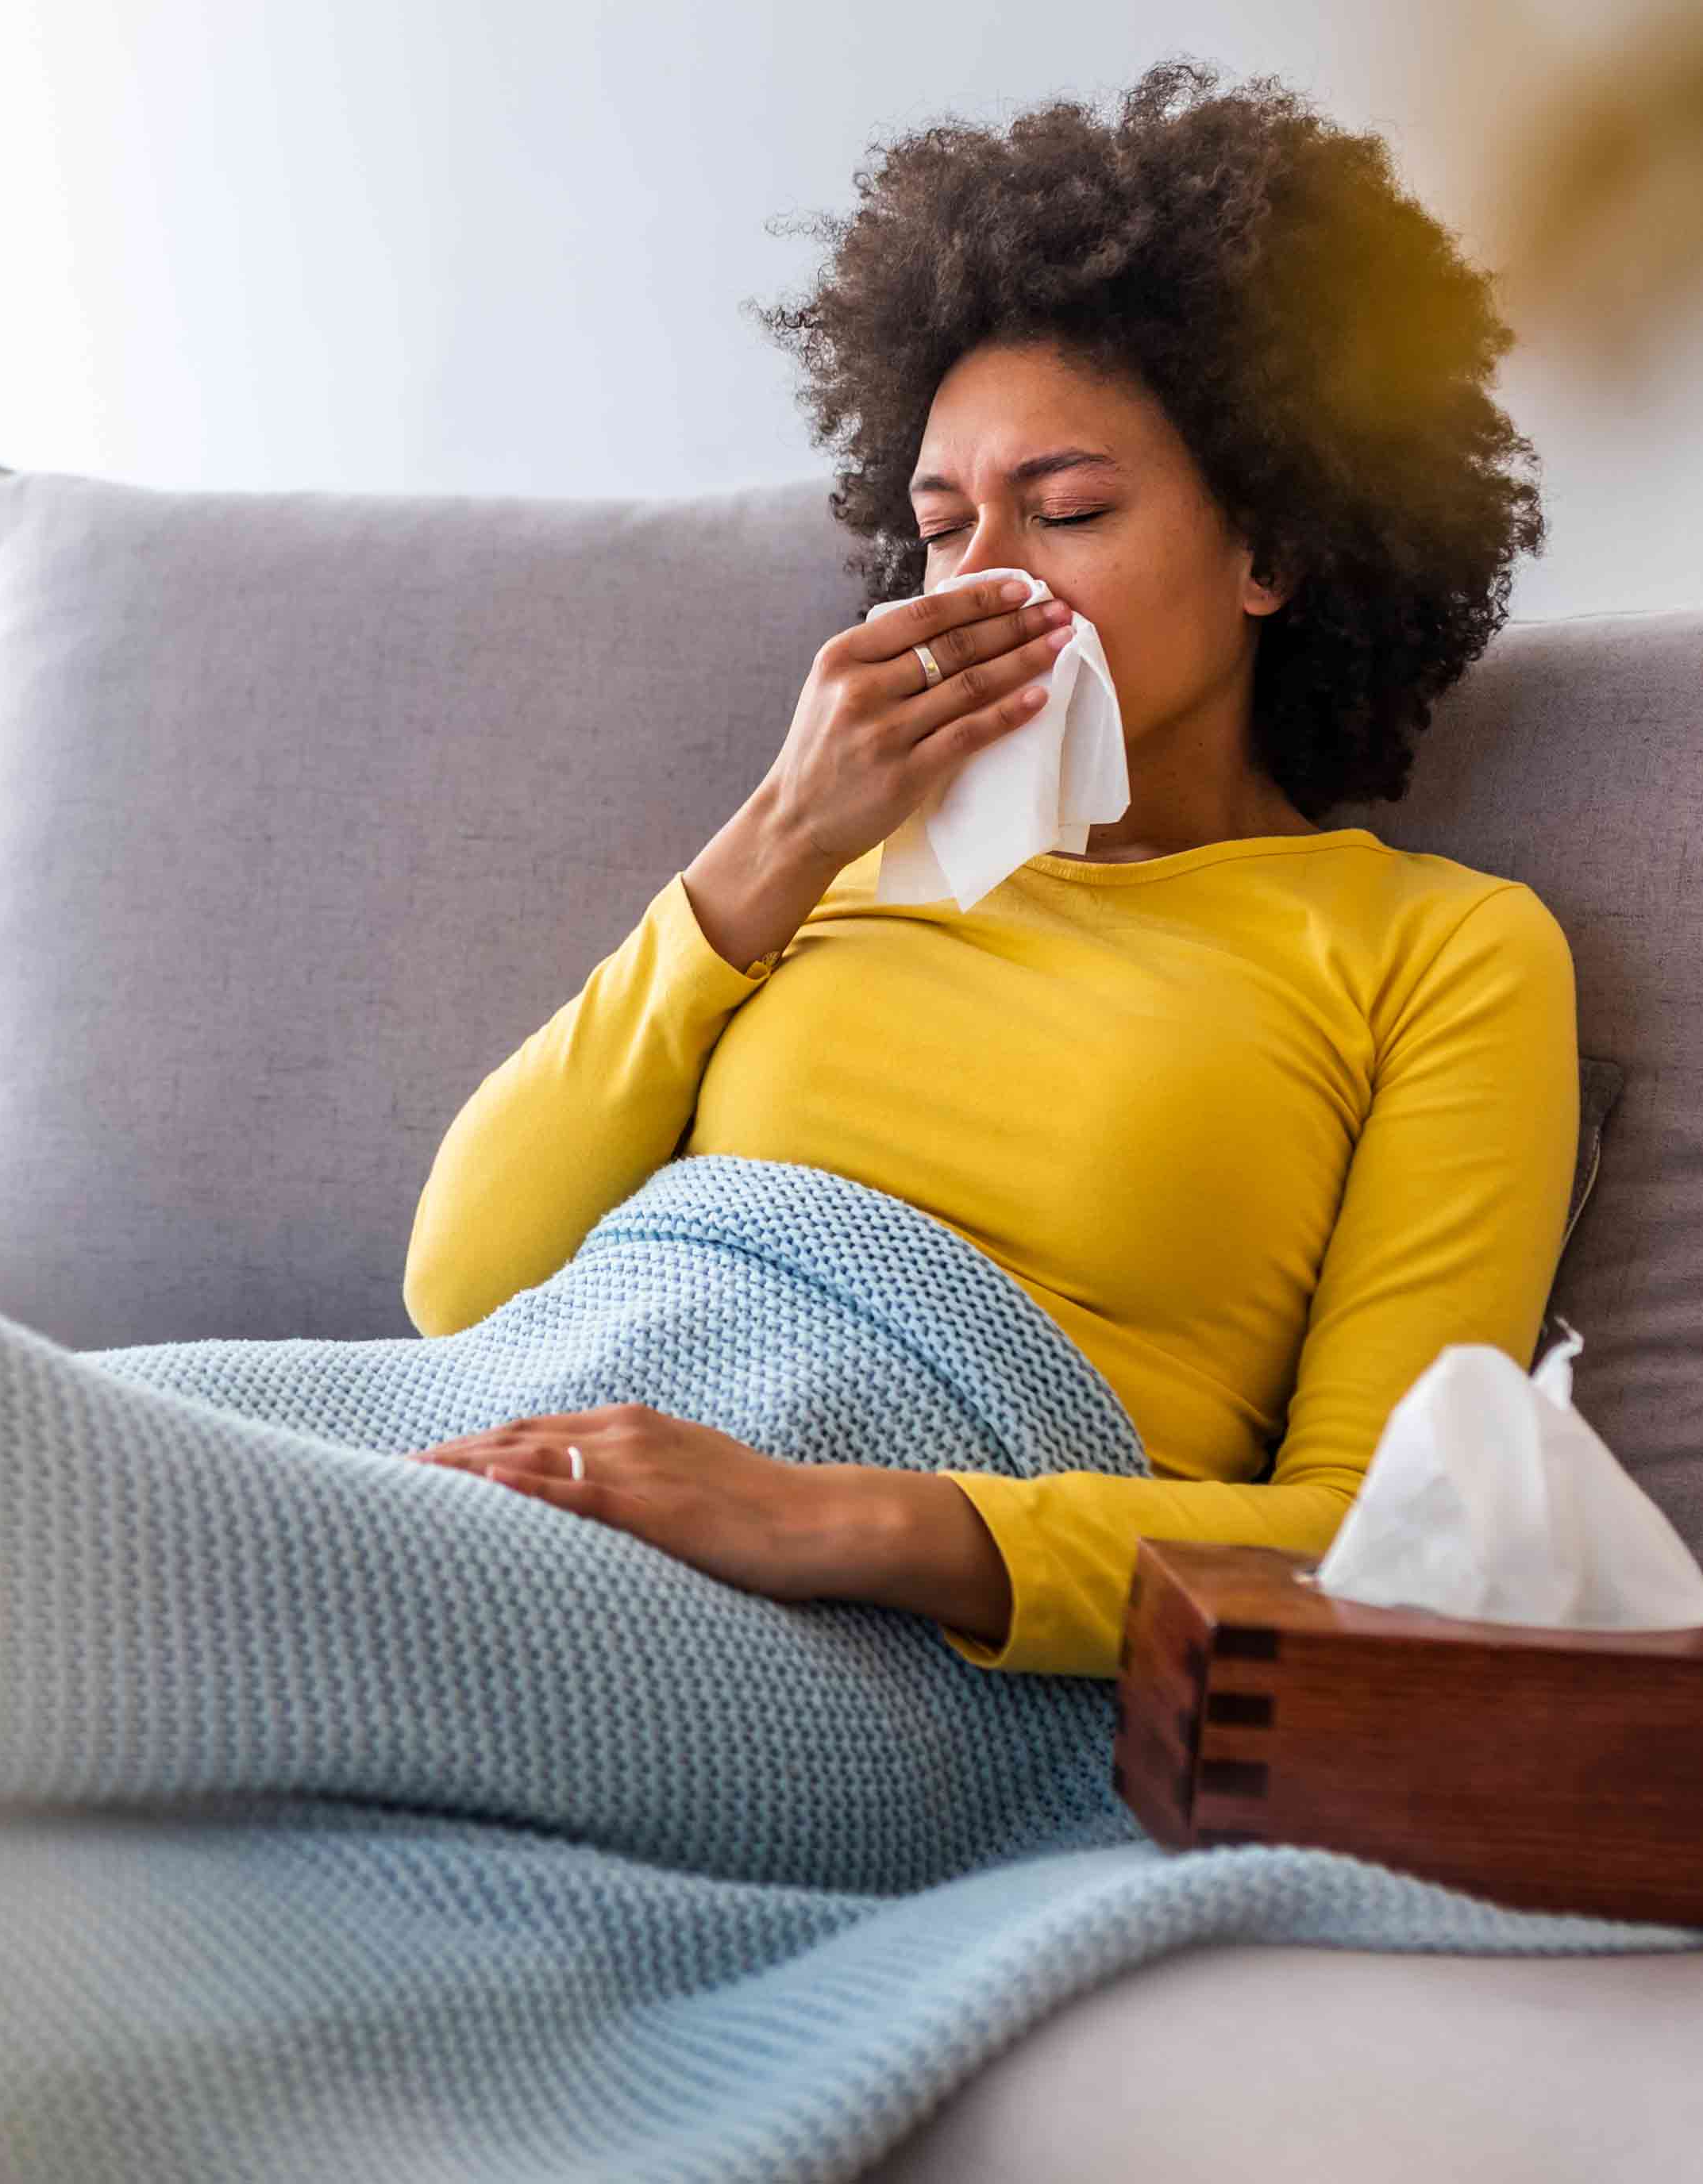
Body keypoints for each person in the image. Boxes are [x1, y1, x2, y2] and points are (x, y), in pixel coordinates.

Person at [395, 58, 1580, 1683]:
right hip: (505, 1453)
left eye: (1069, 506)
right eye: (945, 526)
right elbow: (462, 1286)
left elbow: (1372, 1535)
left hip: (859, 1640)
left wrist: (833, 1519)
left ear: (1275, 547)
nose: (988, 580)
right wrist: (783, 831)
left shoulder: (1438, 947)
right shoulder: (833, 855)